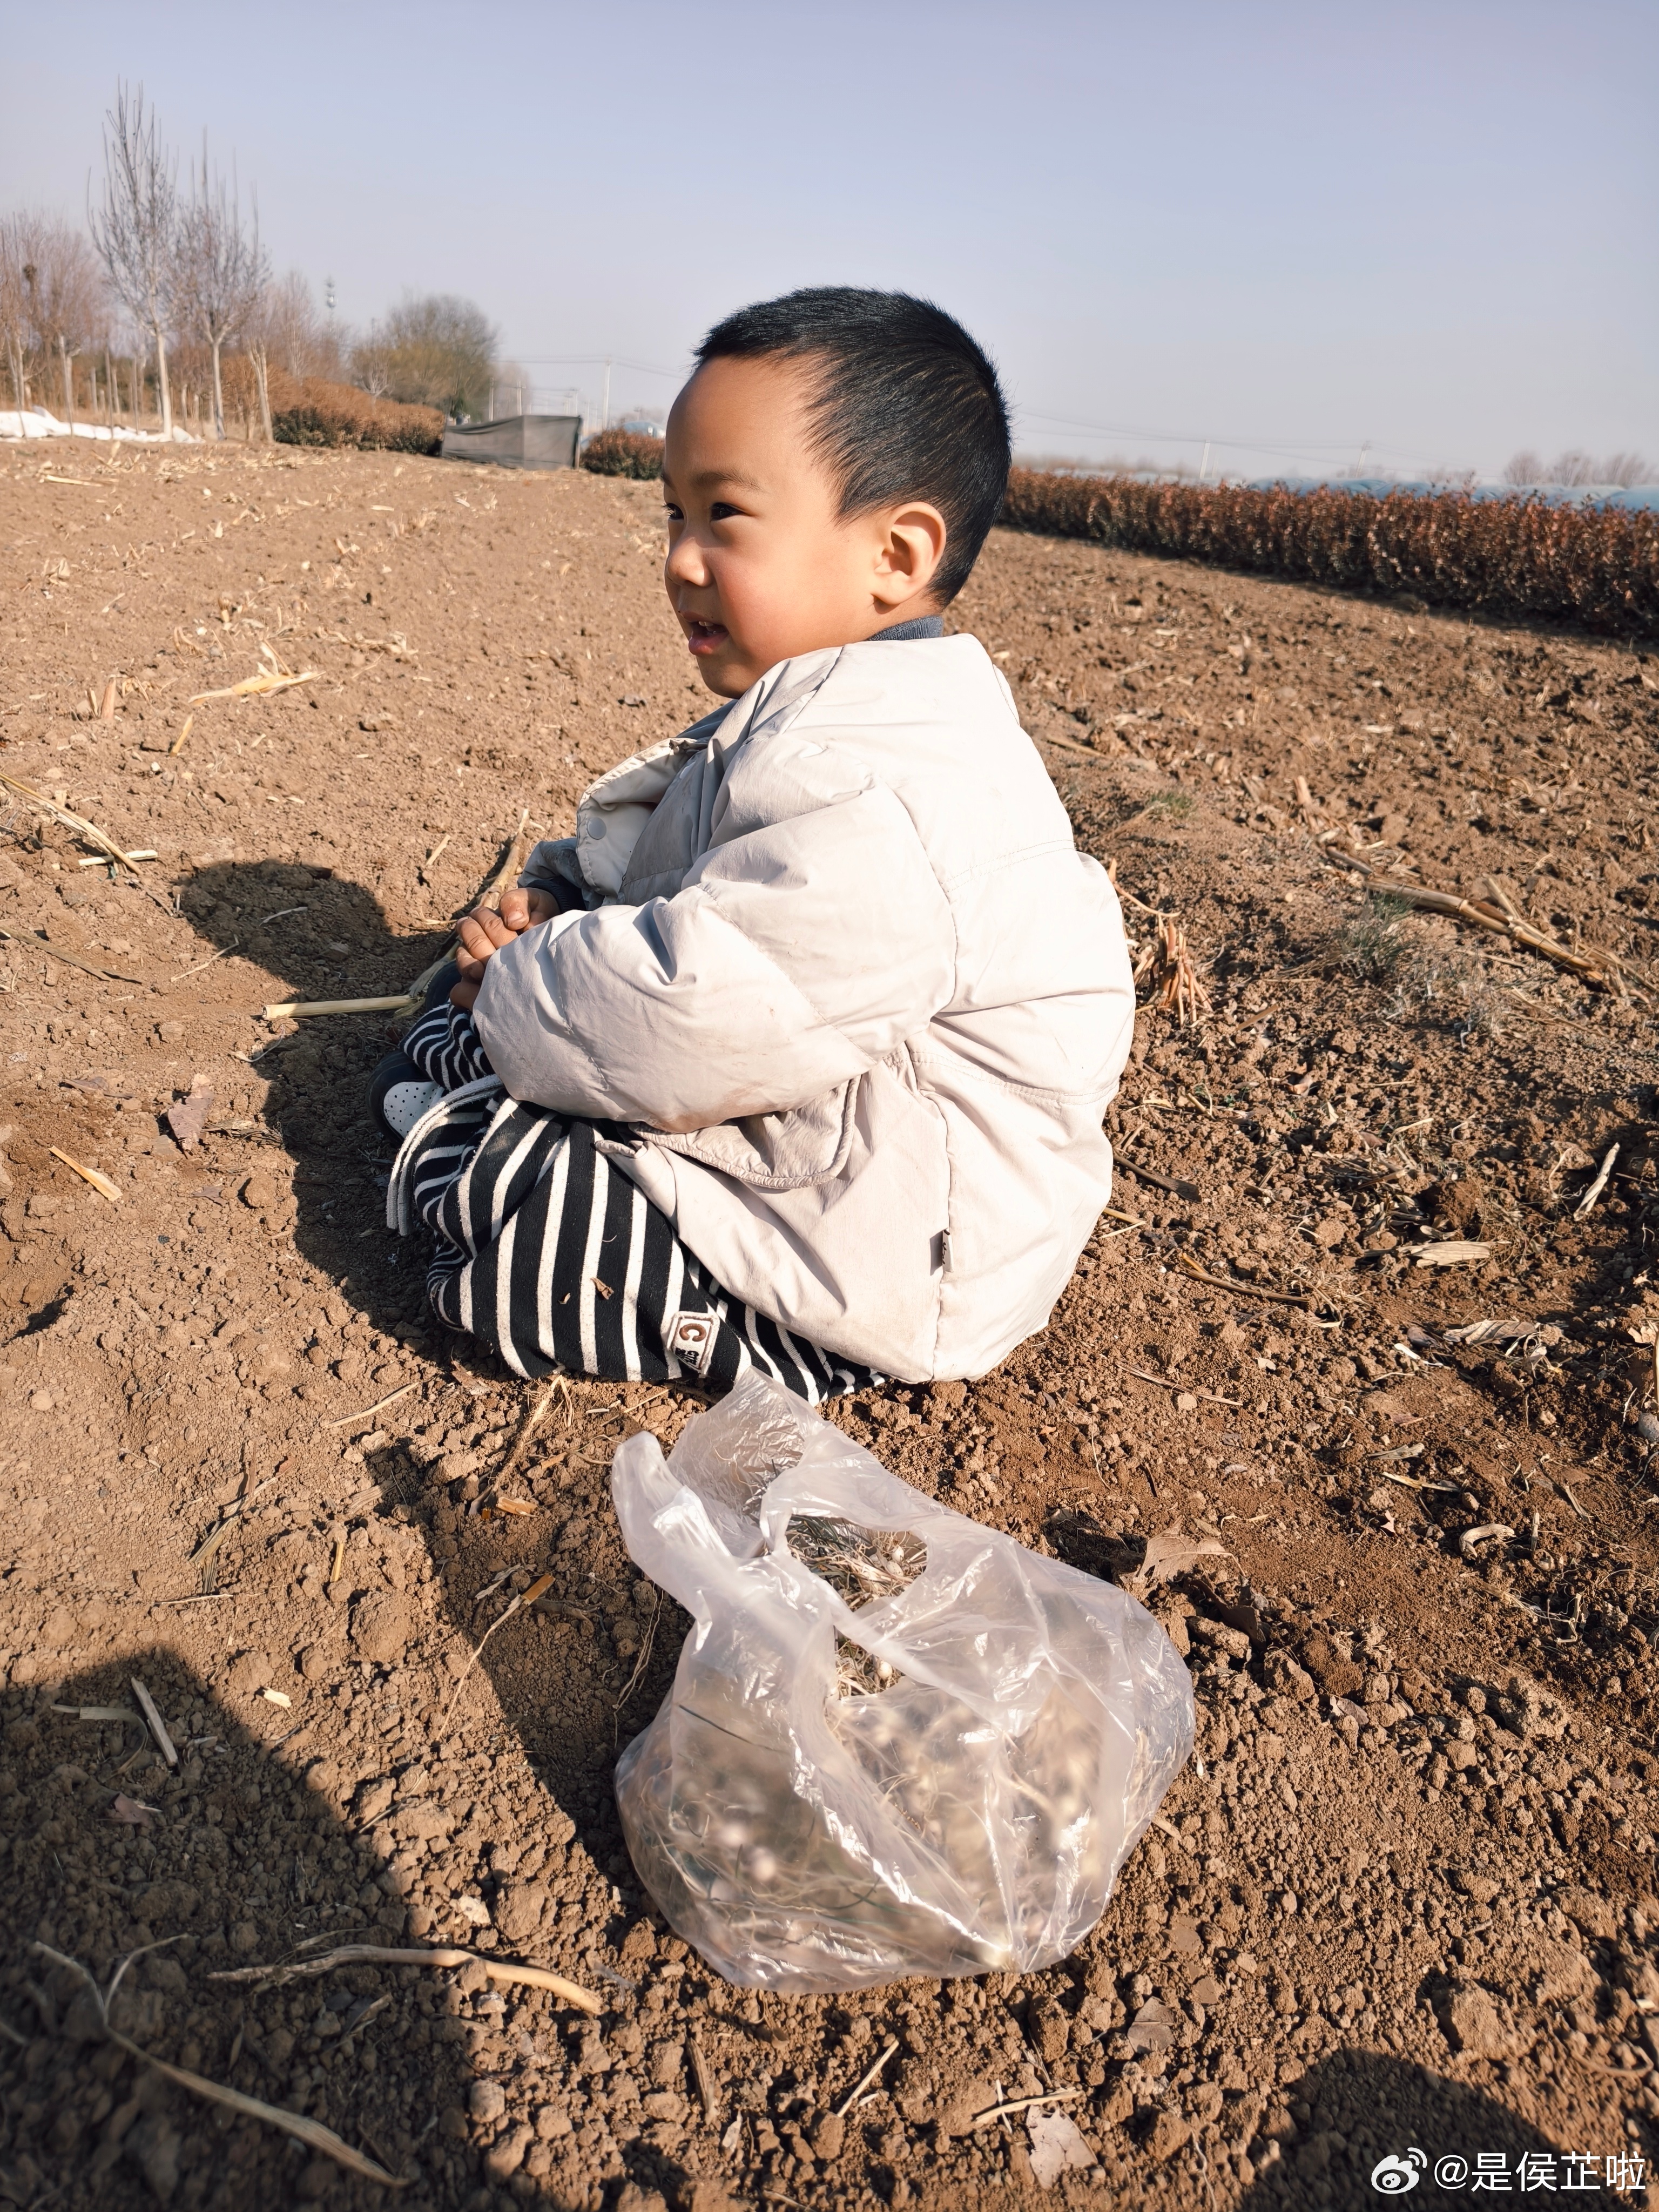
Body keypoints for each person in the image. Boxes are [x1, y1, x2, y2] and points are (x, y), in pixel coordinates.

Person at [375, 286, 1134, 1401]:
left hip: (900, 1260)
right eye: (672, 515)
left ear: (895, 552)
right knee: (487, 1039)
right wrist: (564, 905)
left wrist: (523, 977)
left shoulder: (884, 786)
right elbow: (698, 884)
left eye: (722, 515)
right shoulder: (829, 719)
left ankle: (478, 1130)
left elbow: (691, 1014)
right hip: (841, 1147)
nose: (681, 560)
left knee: (532, 1213)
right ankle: (469, 1091)